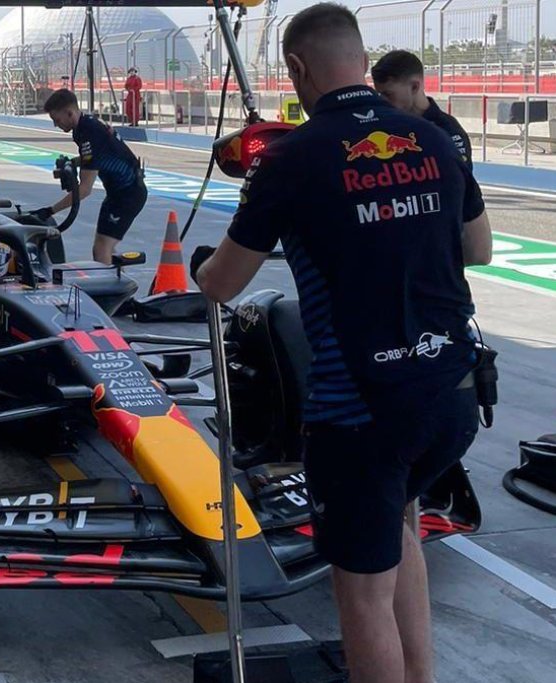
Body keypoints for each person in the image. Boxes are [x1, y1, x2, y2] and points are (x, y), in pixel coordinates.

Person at [189, 5, 492, 683]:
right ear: (362, 60)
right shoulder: (434, 137)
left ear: (297, 68)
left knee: (362, 594)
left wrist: (210, 262)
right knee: (401, 529)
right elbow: (479, 248)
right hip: (452, 393)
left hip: (360, 411)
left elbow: (222, 283)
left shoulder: (291, 159)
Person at [30, 89, 147, 264]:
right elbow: (97, 156)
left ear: (70, 113)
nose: (56, 125)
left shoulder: (89, 133)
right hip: (118, 193)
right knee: (105, 248)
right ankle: (114, 276)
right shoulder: (84, 127)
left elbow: (84, 190)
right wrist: (73, 163)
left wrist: (50, 211)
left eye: (57, 120)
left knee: (101, 250)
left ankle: (109, 281)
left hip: (128, 194)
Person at [372, 49, 473, 169]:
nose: (382, 101)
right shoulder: (383, 126)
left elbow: (459, 177)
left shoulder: (447, 130)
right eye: (379, 94)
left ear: (414, 87)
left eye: (388, 94)